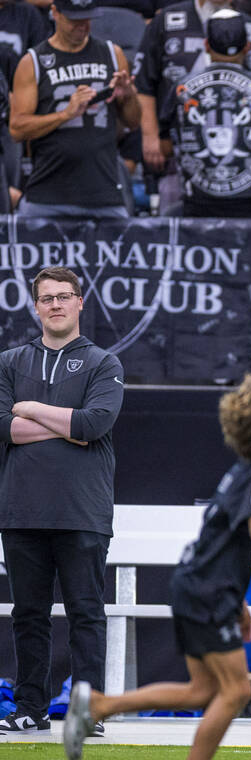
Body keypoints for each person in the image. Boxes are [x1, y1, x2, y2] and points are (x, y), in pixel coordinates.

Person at [62, 376, 251, 760]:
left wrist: (238, 604)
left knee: (202, 691)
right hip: (207, 594)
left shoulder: (246, 475)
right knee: (236, 691)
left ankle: (100, 705)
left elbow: (224, 545)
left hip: (198, 589)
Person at [0, 266, 124, 734]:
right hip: (22, 510)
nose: (55, 304)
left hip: (82, 511)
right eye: (47, 298)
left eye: (64, 296)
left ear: (80, 302)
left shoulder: (103, 363)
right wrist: (67, 425)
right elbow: (2, 427)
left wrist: (31, 409)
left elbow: (93, 425)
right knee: (28, 615)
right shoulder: (9, 362)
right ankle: (29, 708)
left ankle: (86, 711)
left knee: (86, 614)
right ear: (36, 306)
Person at [163, 9, 251, 217]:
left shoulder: (181, 88)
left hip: (200, 207)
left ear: (206, 46)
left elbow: (165, 147)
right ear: (247, 47)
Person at [8, 0, 140, 218]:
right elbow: (17, 129)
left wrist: (128, 96)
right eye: (74, 20)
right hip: (47, 194)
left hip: (104, 193)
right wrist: (65, 115)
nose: (82, 26)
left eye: (87, 19)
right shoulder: (33, 62)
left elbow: (133, 122)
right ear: (55, 13)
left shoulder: (112, 54)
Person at [133, 0, 251, 175]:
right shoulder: (166, 21)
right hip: (179, 143)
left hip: (240, 148)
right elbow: (144, 83)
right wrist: (150, 136)